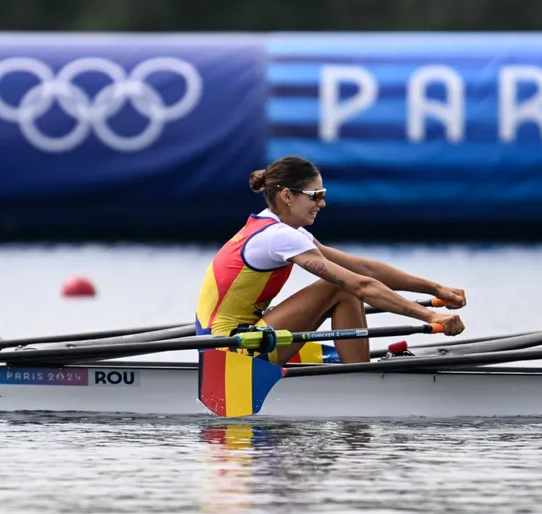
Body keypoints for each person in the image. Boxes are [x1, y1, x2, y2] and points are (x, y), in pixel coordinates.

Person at [195, 156, 466, 364]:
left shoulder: (280, 230)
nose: (322, 204)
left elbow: (363, 268)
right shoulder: (278, 236)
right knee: (339, 287)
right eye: (316, 195)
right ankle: (361, 382)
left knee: (343, 293)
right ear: (287, 195)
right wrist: (430, 316)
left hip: (236, 340)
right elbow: (360, 284)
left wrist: (435, 289)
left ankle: (356, 372)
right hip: (229, 351)